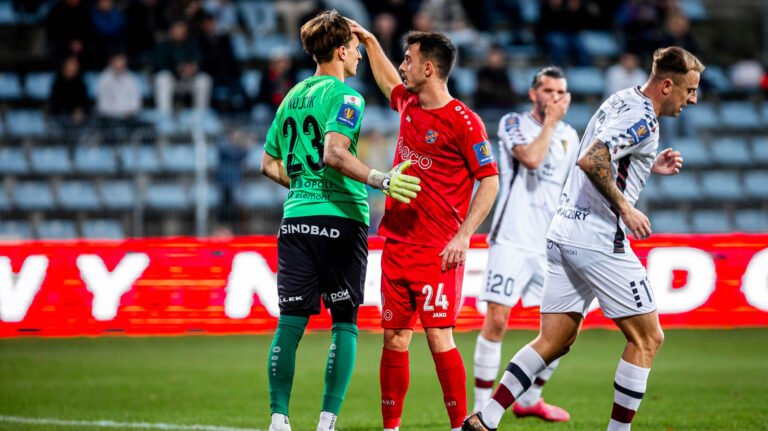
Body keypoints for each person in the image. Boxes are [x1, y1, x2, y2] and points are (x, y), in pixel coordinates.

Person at [463, 46, 702, 431]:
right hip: (598, 238)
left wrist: (645, 164)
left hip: (562, 232)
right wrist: (625, 207)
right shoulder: (645, 120)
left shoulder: (622, 98)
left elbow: (602, 153)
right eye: (689, 90)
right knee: (648, 338)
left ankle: (485, 418)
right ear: (667, 85)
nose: (693, 99)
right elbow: (591, 160)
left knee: (553, 340)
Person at [260, 10, 421, 431]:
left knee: (290, 323)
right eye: (355, 51)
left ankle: (279, 419)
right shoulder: (347, 97)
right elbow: (333, 153)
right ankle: (327, 422)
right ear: (341, 50)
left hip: (295, 220)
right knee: (345, 323)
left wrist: (304, 189)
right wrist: (380, 179)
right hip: (342, 220)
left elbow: (268, 164)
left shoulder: (292, 96)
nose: (360, 59)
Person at [349, 21, 500, 431]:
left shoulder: (465, 122)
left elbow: (489, 179)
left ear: (429, 68)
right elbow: (383, 80)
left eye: (408, 60)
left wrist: (463, 235)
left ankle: (457, 427)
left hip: (437, 250)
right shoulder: (408, 105)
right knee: (394, 338)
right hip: (396, 243)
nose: (401, 67)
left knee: (438, 338)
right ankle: (391, 428)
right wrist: (370, 41)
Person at [471, 66, 578, 421]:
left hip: (548, 244)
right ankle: (479, 410)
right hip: (511, 239)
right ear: (534, 94)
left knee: (564, 331)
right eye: (549, 91)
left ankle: (530, 399)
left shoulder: (571, 135)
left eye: (561, 92)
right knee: (497, 322)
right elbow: (530, 159)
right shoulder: (512, 123)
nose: (556, 98)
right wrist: (549, 123)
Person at [153, 20, 212, 113]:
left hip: (189, 80)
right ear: (171, 31)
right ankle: (164, 116)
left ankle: (200, 116)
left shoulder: (192, 44)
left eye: (182, 30)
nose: (180, 33)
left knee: (204, 79)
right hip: (173, 80)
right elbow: (160, 64)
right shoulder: (164, 45)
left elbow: (200, 59)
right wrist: (177, 68)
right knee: (162, 78)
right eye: (177, 30)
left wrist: (194, 67)